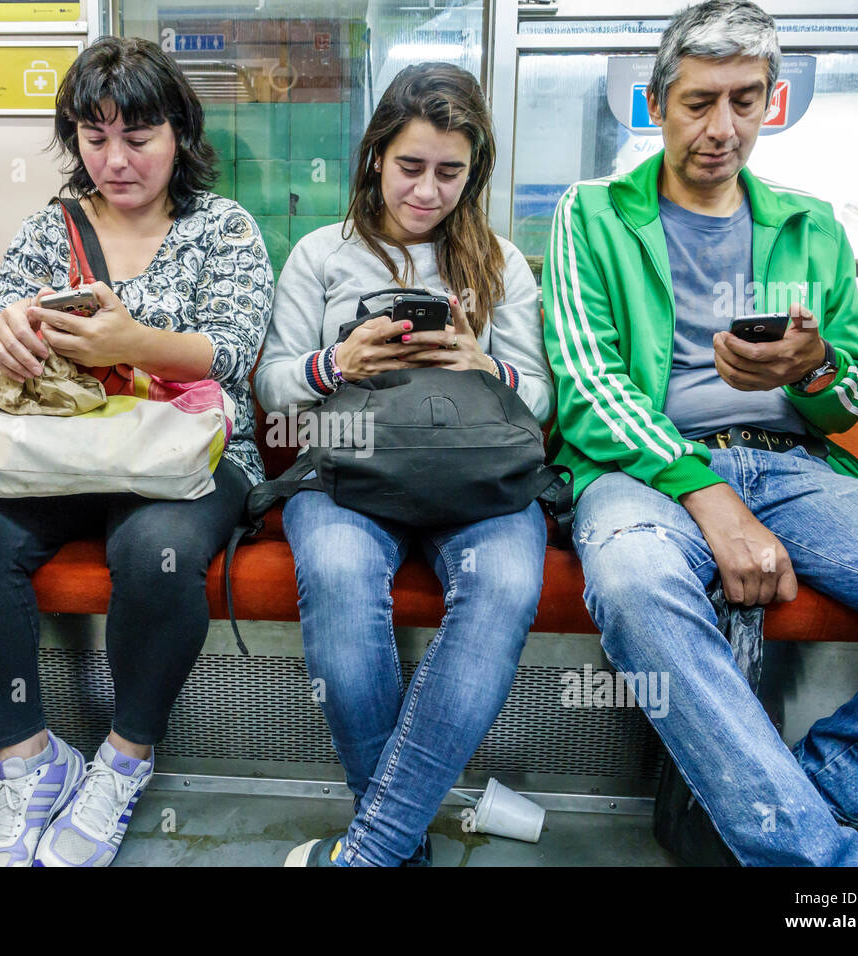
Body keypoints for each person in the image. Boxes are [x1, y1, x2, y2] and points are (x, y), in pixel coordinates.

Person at [544, 0, 858, 866]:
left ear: (771, 102)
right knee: (634, 586)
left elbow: (848, 395)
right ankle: (826, 870)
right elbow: (590, 387)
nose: (721, 127)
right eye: (699, 101)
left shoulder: (810, 224)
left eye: (745, 100)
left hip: (796, 466)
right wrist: (706, 494)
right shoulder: (590, 214)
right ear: (658, 101)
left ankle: (797, 793)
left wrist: (808, 370)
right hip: (644, 470)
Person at [0, 36, 272, 867]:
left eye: (138, 137)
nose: (114, 160)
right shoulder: (55, 228)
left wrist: (133, 339)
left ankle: (124, 759)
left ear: (180, 135)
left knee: (153, 550)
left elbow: (233, 353)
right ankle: (30, 763)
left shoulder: (223, 228)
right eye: (94, 137)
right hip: (61, 449)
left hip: (187, 447)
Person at [256, 62, 555, 866]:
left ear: (473, 171)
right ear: (376, 160)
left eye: (449, 173)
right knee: (343, 583)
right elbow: (275, 389)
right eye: (410, 167)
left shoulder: (498, 263)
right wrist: (337, 363)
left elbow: (544, 403)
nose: (426, 191)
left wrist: (480, 363)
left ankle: (377, 848)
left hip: (480, 478)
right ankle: (398, 841)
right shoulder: (322, 255)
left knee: (503, 588)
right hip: (350, 469)